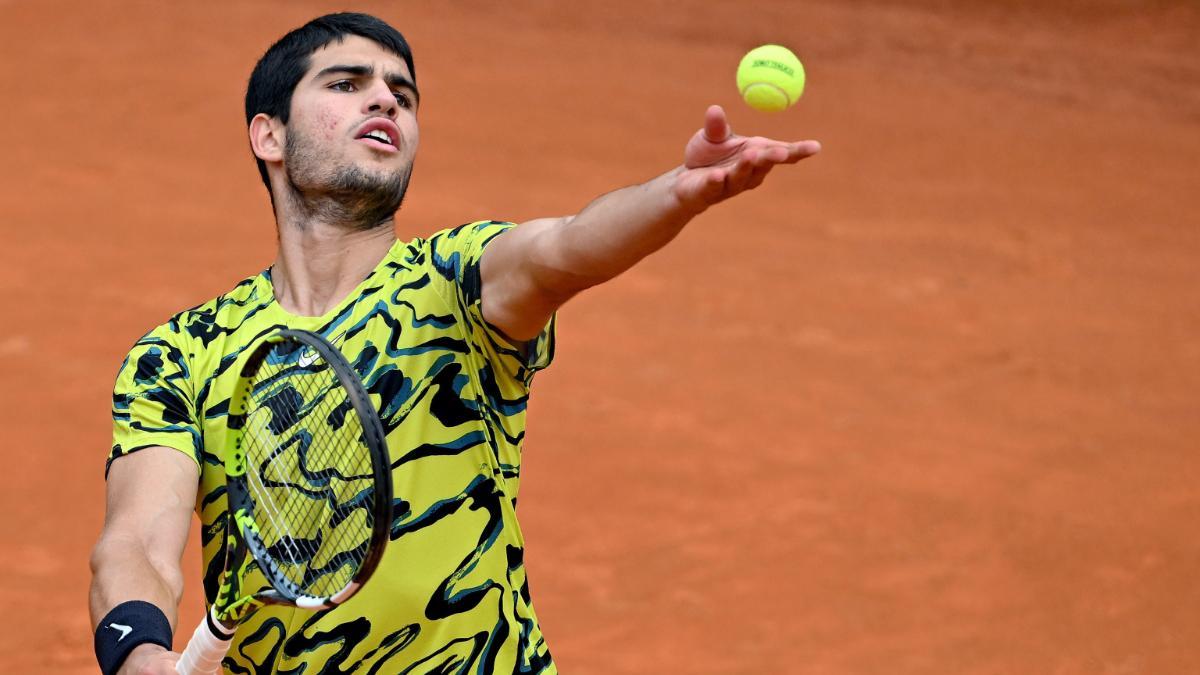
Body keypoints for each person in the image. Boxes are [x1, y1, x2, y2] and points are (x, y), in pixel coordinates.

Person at [88, 11, 820, 675]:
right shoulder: (182, 354)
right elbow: (138, 540)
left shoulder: (455, 282)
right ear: (268, 134)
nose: (384, 101)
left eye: (402, 96)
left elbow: (565, 248)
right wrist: (141, 652)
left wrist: (674, 193)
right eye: (347, 83)